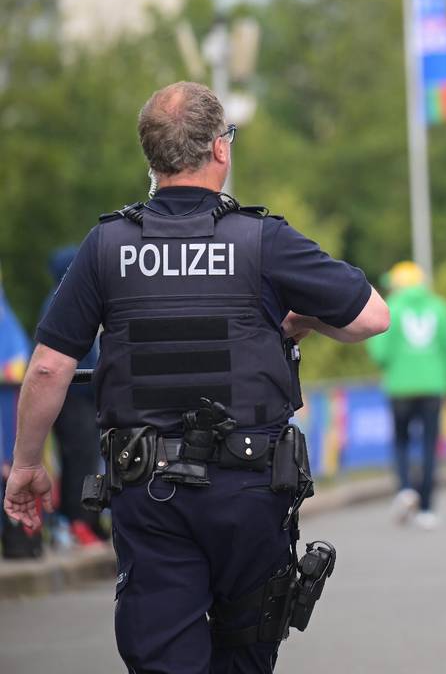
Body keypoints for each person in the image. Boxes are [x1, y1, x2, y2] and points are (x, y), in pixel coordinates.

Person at [2, 82, 388, 673]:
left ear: (151, 158)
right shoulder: (263, 240)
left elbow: (52, 366)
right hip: (250, 490)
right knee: (245, 653)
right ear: (220, 150)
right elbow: (371, 318)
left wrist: (27, 465)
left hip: (149, 491)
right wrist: (299, 321)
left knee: (164, 657)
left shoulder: (107, 246)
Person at [368, 261, 446, 530]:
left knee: (401, 442)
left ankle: (404, 490)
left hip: (399, 386)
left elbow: (379, 352)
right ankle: (426, 508)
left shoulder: (392, 307)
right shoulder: (440, 307)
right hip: (433, 386)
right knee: (428, 445)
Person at [41, 245, 107, 546]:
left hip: (85, 396)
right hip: (71, 396)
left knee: (88, 458)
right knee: (78, 458)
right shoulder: (61, 301)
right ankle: (77, 521)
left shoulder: (76, 299)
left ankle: (89, 521)